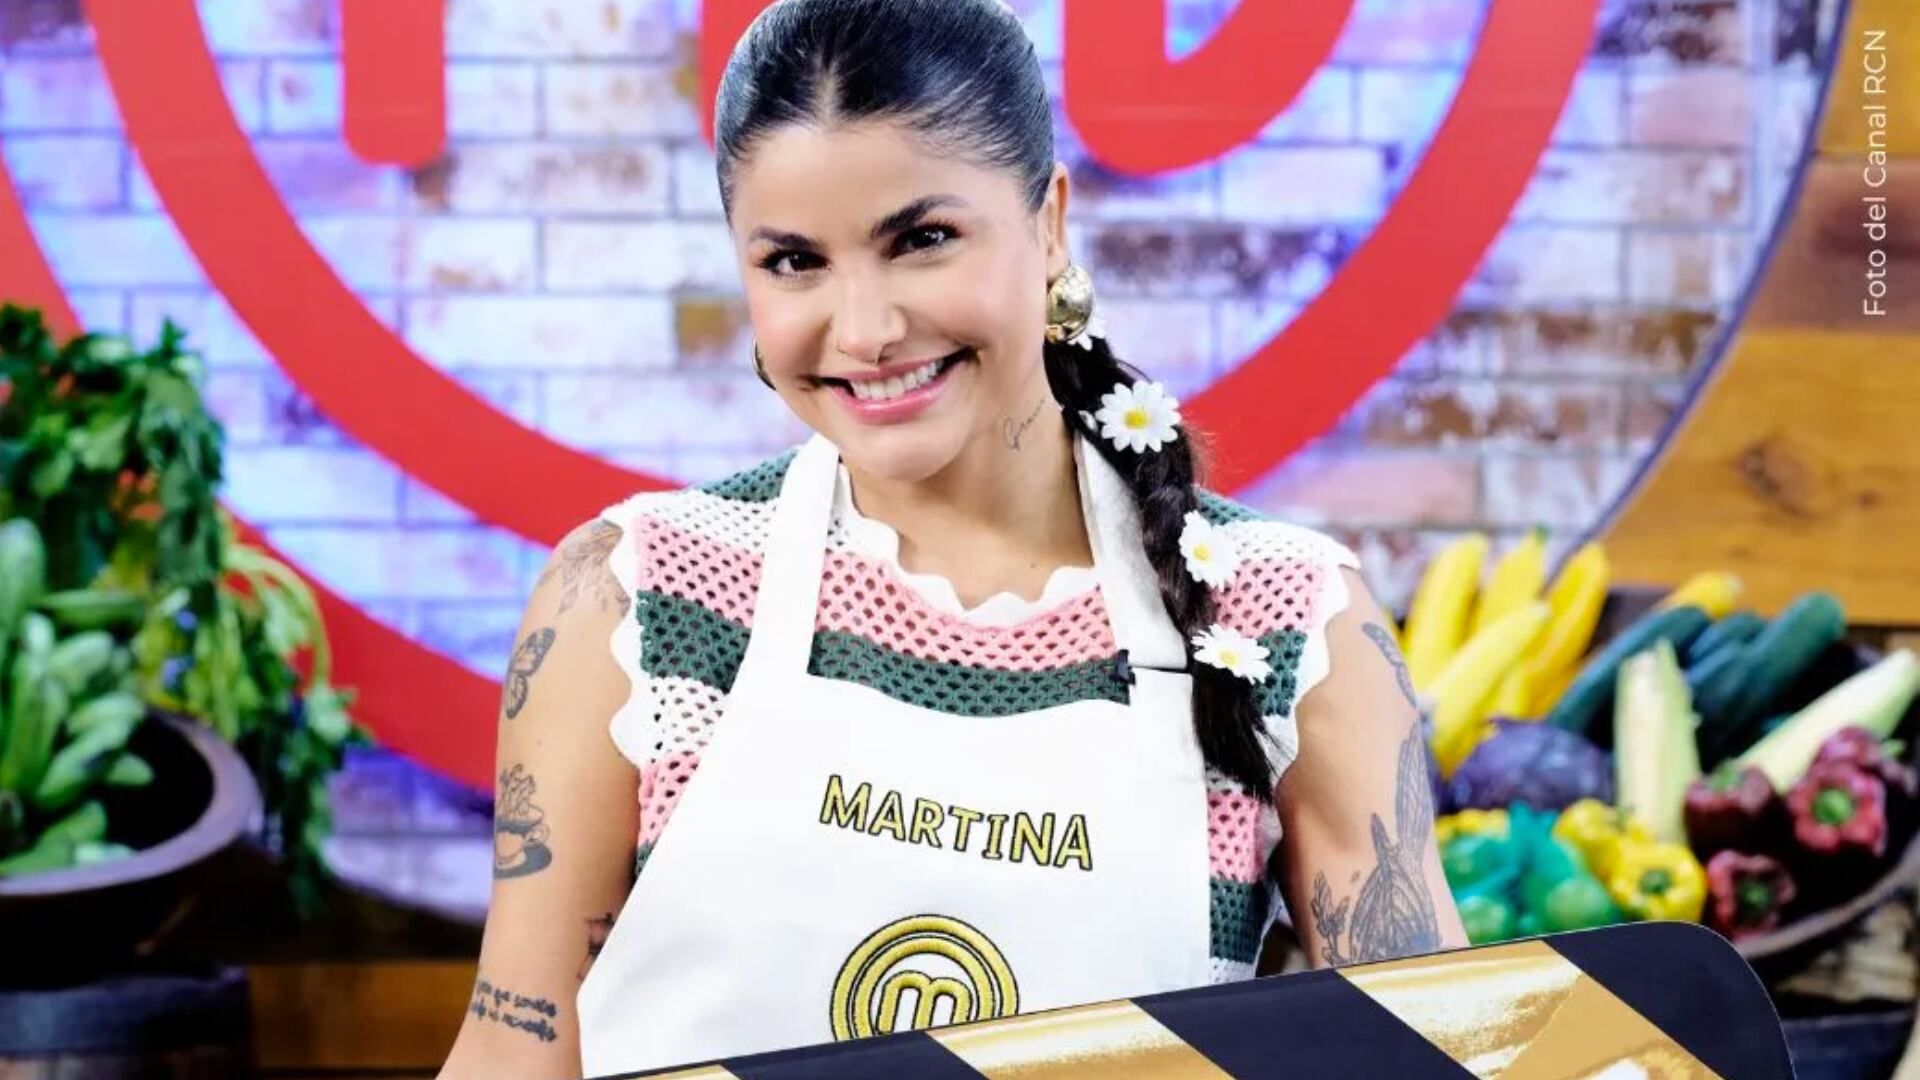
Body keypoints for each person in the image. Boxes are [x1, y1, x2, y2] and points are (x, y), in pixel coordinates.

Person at [437, 0, 1465, 1074]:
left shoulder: (1287, 619)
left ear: (1049, 223)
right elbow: (516, 1055)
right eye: (793, 262)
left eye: (922, 240)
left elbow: (1428, 1059)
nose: (866, 330)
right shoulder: (640, 596)